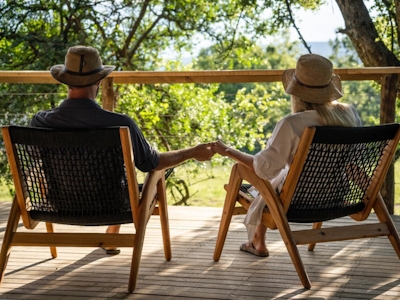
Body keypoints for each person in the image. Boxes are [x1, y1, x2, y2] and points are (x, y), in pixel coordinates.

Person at [30, 45, 215, 254]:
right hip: (111, 206)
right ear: (99, 80)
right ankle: (111, 236)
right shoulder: (120, 124)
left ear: (65, 80)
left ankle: (111, 237)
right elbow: (151, 163)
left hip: (59, 203)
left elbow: (35, 161)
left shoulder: (39, 122)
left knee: (115, 179)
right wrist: (192, 152)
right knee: (152, 175)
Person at [212, 53, 361, 257]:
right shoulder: (348, 115)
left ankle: (257, 241)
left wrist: (227, 151)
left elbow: (264, 168)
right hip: (335, 194)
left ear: (296, 92)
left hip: (297, 199)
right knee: (279, 176)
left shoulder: (292, 124)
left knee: (255, 173)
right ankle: (258, 240)